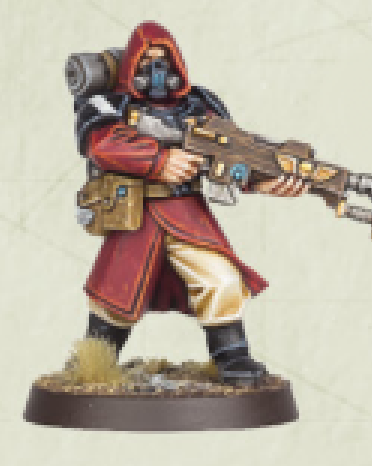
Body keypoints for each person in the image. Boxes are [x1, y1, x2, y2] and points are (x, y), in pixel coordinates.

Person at [74, 21, 308, 385]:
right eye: (146, 60)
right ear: (131, 63)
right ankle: (92, 364)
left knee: (221, 280)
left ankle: (232, 358)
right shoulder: (109, 103)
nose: (156, 69)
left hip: (187, 213)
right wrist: (158, 161)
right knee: (114, 295)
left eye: (163, 60)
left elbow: (232, 153)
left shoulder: (200, 104)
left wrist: (263, 180)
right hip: (135, 215)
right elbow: (102, 143)